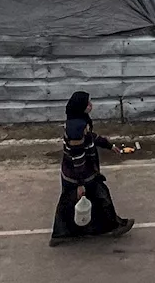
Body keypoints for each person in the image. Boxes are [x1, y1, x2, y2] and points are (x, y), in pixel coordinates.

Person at [50, 91, 133, 246]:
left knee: (71, 203)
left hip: (75, 173)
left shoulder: (78, 122)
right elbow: (78, 158)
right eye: (88, 103)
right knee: (100, 196)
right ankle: (113, 227)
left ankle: (62, 234)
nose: (91, 105)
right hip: (79, 175)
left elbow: (91, 137)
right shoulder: (76, 129)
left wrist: (108, 145)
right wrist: (80, 184)